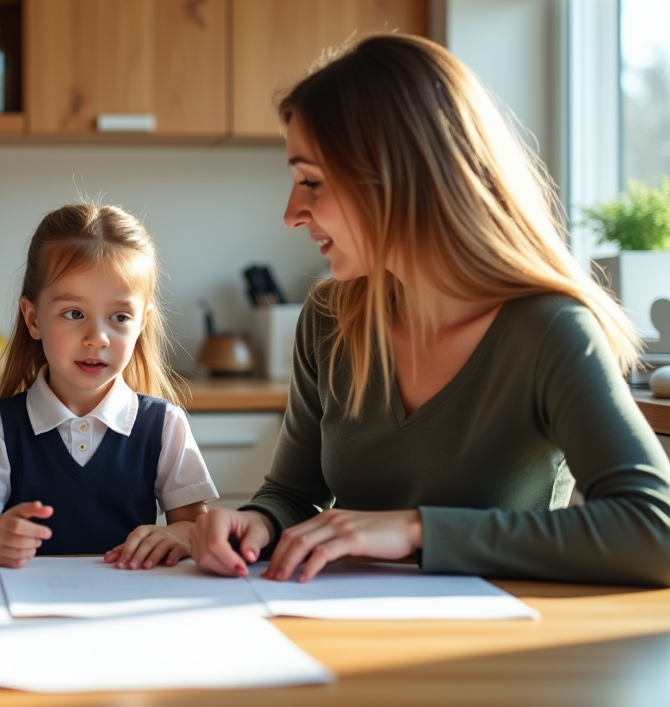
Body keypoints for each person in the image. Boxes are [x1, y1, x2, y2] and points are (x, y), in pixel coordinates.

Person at [190, 34, 670, 587]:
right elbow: (293, 494)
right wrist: (254, 522)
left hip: (501, 652)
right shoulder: (328, 317)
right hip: (343, 630)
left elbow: (651, 530)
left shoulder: (550, 330)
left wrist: (416, 531)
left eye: (312, 182)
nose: (291, 213)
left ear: (399, 177)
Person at [0, 203, 218, 568]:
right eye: (74, 314)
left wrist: (175, 536)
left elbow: (194, 526)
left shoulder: (164, 426)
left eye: (119, 317)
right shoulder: (0, 427)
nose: (97, 337)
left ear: (142, 324)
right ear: (33, 318)